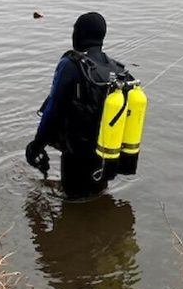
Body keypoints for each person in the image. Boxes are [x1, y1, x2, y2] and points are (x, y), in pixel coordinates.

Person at [26, 12, 127, 199]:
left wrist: (36, 146)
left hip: (76, 157)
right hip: (106, 157)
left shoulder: (71, 65)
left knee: (73, 202)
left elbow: (53, 110)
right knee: (96, 199)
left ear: (79, 34)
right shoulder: (117, 70)